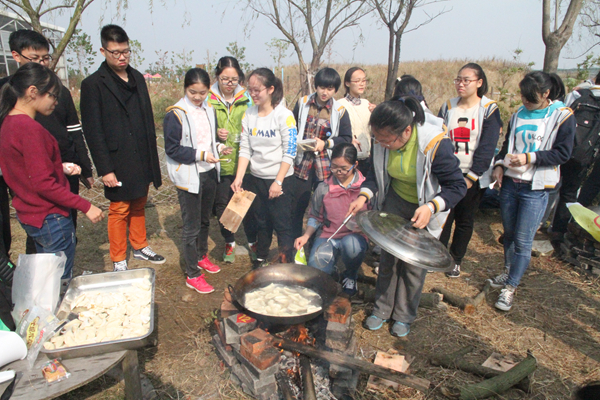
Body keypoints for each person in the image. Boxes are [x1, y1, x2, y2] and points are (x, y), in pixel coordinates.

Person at [348, 96, 466, 337]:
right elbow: (373, 173)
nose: (381, 144)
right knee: (388, 258)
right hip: (395, 200)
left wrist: (432, 206)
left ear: (407, 131)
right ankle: (381, 309)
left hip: (424, 207)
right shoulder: (382, 140)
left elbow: (457, 186)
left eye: (386, 140)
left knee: (413, 264)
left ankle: (404, 315)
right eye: (377, 139)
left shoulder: (434, 144)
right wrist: (363, 196)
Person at [0, 63, 104, 281]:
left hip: (29, 214)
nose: (56, 103)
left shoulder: (8, 123)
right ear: (32, 92)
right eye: (53, 96)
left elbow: (24, 169)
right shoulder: (30, 129)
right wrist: (86, 205)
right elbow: (43, 184)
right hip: (50, 217)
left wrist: (58, 167)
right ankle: (56, 313)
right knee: (58, 280)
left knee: (44, 277)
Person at [80, 25, 164, 272]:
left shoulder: (137, 77)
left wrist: (152, 157)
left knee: (139, 201)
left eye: (125, 51)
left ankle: (140, 246)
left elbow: (147, 118)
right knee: (119, 208)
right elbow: (93, 131)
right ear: (103, 50)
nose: (122, 57)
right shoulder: (93, 84)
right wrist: (105, 169)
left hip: (141, 153)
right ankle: (118, 259)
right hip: (117, 158)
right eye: (115, 52)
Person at [489, 71, 575, 311]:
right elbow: (507, 146)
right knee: (509, 235)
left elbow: (563, 153)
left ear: (546, 94)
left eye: (532, 98)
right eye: (524, 96)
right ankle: (508, 272)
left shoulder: (561, 116)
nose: (526, 101)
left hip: (535, 188)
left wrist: (530, 157)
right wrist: (499, 165)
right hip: (510, 184)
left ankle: (511, 287)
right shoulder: (517, 114)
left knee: (523, 241)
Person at [164, 68, 226, 294]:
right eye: (193, 93)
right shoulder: (176, 114)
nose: (198, 97)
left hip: (208, 170)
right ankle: (192, 274)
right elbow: (172, 149)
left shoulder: (208, 109)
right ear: (185, 89)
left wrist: (219, 147)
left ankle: (201, 256)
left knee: (204, 221)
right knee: (190, 227)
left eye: (202, 92)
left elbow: (207, 141)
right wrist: (201, 155)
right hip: (190, 174)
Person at [438, 63, 502, 278]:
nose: (461, 84)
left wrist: (473, 176)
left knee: (464, 218)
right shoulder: (449, 106)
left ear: (479, 83)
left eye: (467, 80)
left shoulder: (488, 108)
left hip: (473, 175)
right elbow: (440, 136)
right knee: (444, 215)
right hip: (448, 172)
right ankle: (438, 255)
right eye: (458, 79)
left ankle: (456, 259)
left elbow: (487, 144)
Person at [231, 68, 297, 268]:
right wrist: (239, 177)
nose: (253, 94)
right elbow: (245, 148)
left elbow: (290, 151)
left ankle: (286, 261)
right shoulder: (248, 114)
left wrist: (278, 181)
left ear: (270, 89)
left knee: (282, 224)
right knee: (261, 222)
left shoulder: (284, 115)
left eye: (257, 90)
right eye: (250, 90)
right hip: (256, 178)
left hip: (280, 179)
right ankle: (261, 258)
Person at [294, 143, 368, 296]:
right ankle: (331, 269)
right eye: (334, 167)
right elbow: (315, 216)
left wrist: (365, 228)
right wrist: (306, 236)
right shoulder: (324, 188)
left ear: (355, 165)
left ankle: (351, 274)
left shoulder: (365, 188)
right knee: (317, 271)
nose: (338, 172)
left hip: (355, 237)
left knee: (352, 246)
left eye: (343, 168)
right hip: (329, 236)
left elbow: (375, 216)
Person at [290, 67, 352, 239]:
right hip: (302, 163)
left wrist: (325, 143)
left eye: (330, 89)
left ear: (336, 90)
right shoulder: (303, 103)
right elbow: (291, 128)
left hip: (324, 166)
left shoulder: (339, 111)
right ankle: (295, 243)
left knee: (322, 207)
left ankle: (317, 243)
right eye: (322, 87)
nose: (325, 92)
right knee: (297, 206)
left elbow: (346, 138)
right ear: (315, 86)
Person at [208, 56, 258, 263]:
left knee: (249, 204)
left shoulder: (248, 98)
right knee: (223, 205)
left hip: (245, 162)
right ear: (217, 77)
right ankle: (229, 242)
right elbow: (201, 129)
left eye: (234, 79)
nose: (229, 84)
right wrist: (214, 134)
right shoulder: (207, 98)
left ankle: (253, 242)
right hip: (220, 162)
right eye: (224, 79)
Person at [551, 70, 600, 239]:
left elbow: (560, 116)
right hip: (585, 155)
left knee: (549, 187)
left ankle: (536, 224)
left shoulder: (579, 94)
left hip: (561, 148)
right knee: (570, 193)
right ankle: (559, 230)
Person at [337, 67, 376, 176]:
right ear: (347, 83)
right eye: (357, 81)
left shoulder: (366, 104)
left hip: (367, 156)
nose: (361, 84)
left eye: (364, 81)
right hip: (349, 157)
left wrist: (377, 112)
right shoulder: (340, 104)